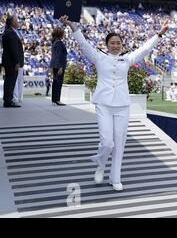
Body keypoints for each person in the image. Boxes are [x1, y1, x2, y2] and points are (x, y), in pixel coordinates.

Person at [60, 15, 169, 191]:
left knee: (119, 143)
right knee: (107, 142)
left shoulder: (127, 59)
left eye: (118, 43)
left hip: (122, 105)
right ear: (107, 44)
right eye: (112, 43)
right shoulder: (98, 57)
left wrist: (159, 34)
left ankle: (115, 178)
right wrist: (72, 26)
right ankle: (100, 164)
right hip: (103, 104)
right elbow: (83, 44)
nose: (116, 46)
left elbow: (145, 49)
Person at [1, 15, 24, 108]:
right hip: (11, 62)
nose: (18, 22)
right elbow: (13, 49)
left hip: (9, 61)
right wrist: (17, 62)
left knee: (9, 81)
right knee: (10, 82)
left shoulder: (9, 32)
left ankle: (8, 100)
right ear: (12, 22)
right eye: (16, 20)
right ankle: (8, 101)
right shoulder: (10, 33)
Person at [49, 27, 68, 106]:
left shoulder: (55, 42)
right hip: (59, 65)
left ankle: (54, 100)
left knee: (55, 83)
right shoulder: (59, 43)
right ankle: (57, 100)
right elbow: (58, 56)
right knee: (58, 83)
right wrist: (60, 67)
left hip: (55, 65)